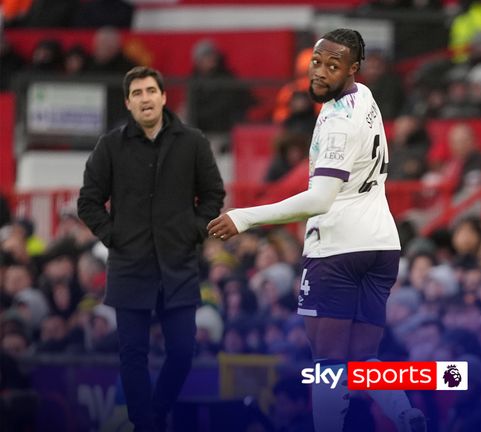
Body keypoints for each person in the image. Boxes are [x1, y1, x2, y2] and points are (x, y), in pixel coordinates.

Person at [207, 29, 425, 432]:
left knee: (327, 360)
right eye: (317, 62)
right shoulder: (365, 97)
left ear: (353, 69)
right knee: (363, 357)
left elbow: (320, 199)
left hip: (339, 247)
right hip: (381, 244)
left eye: (333, 66)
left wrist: (245, 217)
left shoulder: (339, 122)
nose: (321, 72)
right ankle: (403, 413)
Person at [77, 66, 225, 432]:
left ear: (163, 96)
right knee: (132, 355)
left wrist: (192, 232)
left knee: (181, 351)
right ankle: (144, 424)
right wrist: (114, 236)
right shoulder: (110, 145)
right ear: (128, 103)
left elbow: (213, 196)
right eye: (137, 93)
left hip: (178, 263)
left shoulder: (193, 141)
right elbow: (88, 202)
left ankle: (154, 416)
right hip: (129, 265)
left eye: (150, 90)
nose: (145, 98)